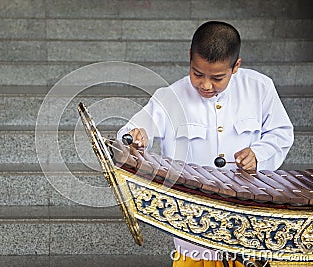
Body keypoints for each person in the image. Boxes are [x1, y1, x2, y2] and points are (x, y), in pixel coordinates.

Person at [117, 21, 294, 267]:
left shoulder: (260, 88)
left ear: (236, 66)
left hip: (247, 221)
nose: (206, 85)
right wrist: (137, 137)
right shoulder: (169, 98)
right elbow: (128, 133)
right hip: (194, 227)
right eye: (197, 74)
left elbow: (282, 132)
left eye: (218, 77)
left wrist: (258, 154)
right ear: (190, 58)